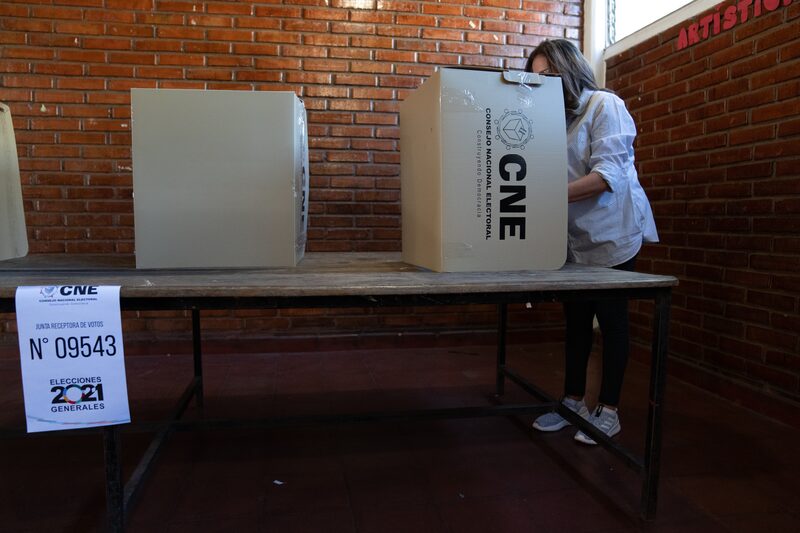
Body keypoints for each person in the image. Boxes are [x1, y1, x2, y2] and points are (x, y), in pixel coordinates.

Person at [526, 39, 658, 445]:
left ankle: (609, 411)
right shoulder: (554, 118)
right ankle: (572, 402)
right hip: (575, 237)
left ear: (568, 69)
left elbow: (607, 177)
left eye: (547, 75)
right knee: (577, 322)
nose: (541, 84)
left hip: (613, 232)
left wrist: (540, 195)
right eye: (534, 78)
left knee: (612, 322)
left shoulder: (604, 106)